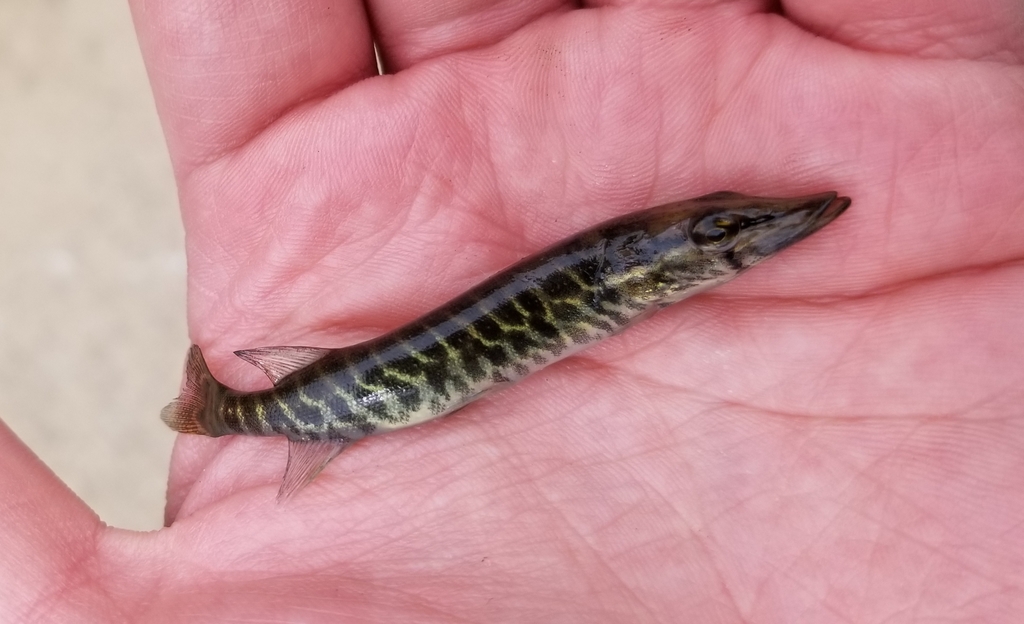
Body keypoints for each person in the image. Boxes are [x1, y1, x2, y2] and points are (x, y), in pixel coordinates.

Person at [3, 0, 1023, 620]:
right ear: (645, 266)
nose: (738, 236)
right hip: (320, 401)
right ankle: (225, 407)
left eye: (719, 236)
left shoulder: (635, 271)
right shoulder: (628, 273)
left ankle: (228, 407)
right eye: (714, 237)